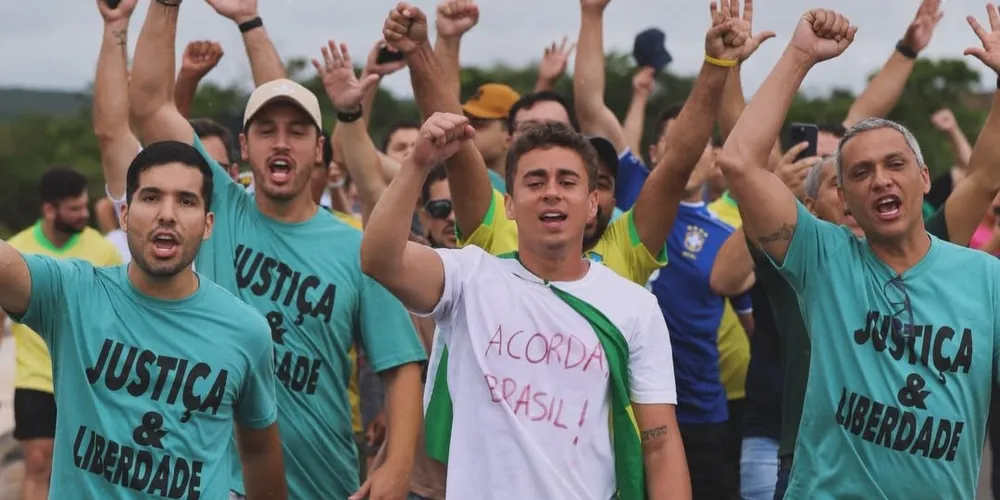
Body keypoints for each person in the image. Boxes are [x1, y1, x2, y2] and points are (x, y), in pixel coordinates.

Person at [126, 2, 426, 499]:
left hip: (322, 478)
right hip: (214, 476)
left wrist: (397, 466)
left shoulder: (357, 248)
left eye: (297, 132)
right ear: (245, 147)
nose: (280, 143)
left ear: (319, 150)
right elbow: (149, 106)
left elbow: (402, 364)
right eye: (266, 132)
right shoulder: (221, 206)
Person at [718, 7, 1000, 497]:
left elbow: (984, 174)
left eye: (895, 164)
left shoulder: (983, 276)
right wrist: (800, 55)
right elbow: (740, 162)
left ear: (926, 178)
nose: (881, 180)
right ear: (843, 199)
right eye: (860, 173)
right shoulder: (822, 260)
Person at [361, 103, 688, 498]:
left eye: (567, 182)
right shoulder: (468, 279)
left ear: (591, 205)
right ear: (510, 205)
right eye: (535, 182)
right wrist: (418, 163)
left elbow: (661, 443)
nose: (551, 192)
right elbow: (379, 258)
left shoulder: (633, 306)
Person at [0, 141, 287, 498]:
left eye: (186, 201)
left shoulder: (247, 331)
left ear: (208, 223)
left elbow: (260, 451)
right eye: (151, 197)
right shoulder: (71, 294)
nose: (167, 214)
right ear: (124, 215)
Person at [7, 167, 122, 500]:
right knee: (38, 464)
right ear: (49, 210)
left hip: (89, 381)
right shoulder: (18, 251)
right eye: (74, 209)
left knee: (92, 468)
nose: (84, 214)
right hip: (36, 380)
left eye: (85, 206)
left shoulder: (102, 251)